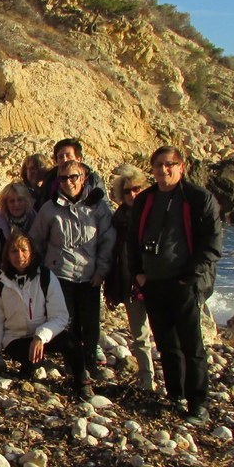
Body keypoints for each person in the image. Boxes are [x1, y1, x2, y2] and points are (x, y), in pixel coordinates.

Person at [128, 146, 222, 425]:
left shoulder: (198, 198)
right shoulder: (146, 200)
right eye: (158, 165)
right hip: (154, 282)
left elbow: (212, 244)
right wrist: (138, 274)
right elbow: (132, 242)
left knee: (192, 345)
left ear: (182, 167)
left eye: (170, 164)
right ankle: (175, 394)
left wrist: (190, 277)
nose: (163, 169)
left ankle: (198, 402)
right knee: (166, 343)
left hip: (185, 283)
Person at [0, 230, 90, 401]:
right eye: (13, 251)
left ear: (32, 252)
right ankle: (29, 367)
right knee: (33, 361)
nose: (19, 256)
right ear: (7, 254)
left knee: (72, 343)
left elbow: (60, 317)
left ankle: (83, 383)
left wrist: (40, 336)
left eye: (24, 250)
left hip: (43, 335)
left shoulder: (46, 277)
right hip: (16, 337)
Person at [30, 160, 116, 383]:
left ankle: (89, 363)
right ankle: (73, 364)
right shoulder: (50, 208)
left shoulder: (98, 207)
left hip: (90, 275)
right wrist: (43, 271)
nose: (69, 182)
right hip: (60, 275)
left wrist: (102, 270)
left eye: (73, 177)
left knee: (90, 323)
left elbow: (107, 240)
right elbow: (36, 240)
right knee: (65, 321)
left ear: (83, 178)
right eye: (63, 178)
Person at [103, 165, 155, 392]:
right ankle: (147, 378)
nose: (132, 194)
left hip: (156, 283)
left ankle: (176, 380)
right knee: (140, 335)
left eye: (136, 189)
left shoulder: (155, 215)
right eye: (127, 191)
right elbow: (112, 254)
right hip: (131, 284)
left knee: (164, 334)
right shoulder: (117, 220)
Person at [35, 138, 106, 210]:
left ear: (79, 159)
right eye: (60, 157)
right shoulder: (50, 179)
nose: (64, 160)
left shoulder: (92, 180)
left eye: (69, 156)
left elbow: (105, 208)